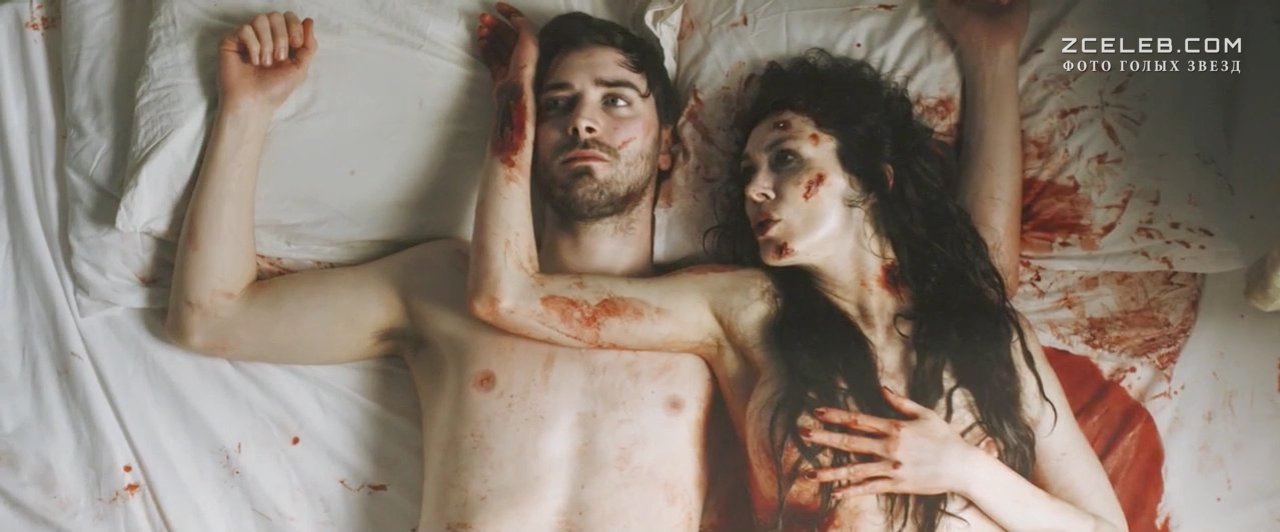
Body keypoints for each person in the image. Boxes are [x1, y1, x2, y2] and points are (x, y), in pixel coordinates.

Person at [468, 1, 1129, 530]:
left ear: (872, 178)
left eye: (785, 160)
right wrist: (515, 95)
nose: (755, 189)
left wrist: (963, 469)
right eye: (747, 173)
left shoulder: (987, 329)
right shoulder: (744, 307)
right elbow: (509, 295)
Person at [163, 8, 748, 531]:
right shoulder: (442, 286)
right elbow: (209, 319)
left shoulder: (714, 317)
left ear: (666, 145)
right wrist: (247, 110)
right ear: (527, 130)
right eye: (556, 103)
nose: (583, 123)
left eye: (615, 100)